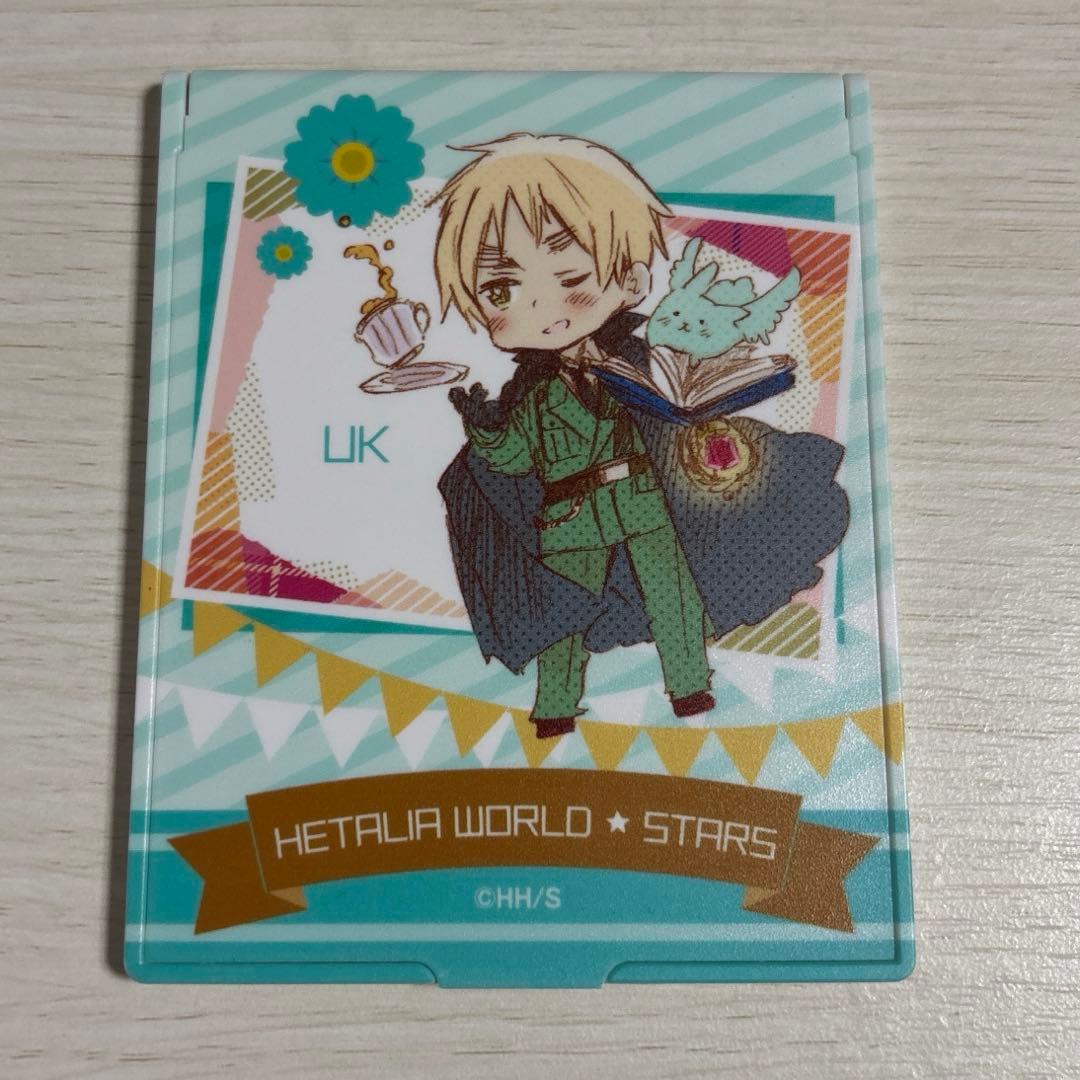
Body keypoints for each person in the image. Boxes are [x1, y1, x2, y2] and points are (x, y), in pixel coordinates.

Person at [432, 133, 849, 740]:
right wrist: (482, 423)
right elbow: (514, 457)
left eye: (572, 275)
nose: (545, 308)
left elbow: (675, 411)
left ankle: (689, 685)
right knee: (563, 613)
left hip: (641, 498)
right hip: (569, 516)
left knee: (673, 595)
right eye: (501, 290)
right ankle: (555, 706)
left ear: (628, 280)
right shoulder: (531, 393)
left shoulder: (640, 362)